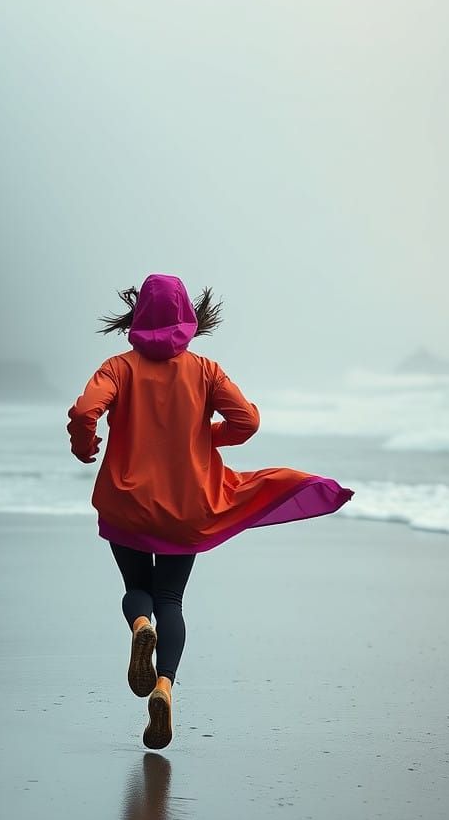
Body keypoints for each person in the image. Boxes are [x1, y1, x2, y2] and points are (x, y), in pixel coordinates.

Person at [67, 273, 353, 750]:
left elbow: (84, 413)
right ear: (188, 318)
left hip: (126, 503)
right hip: (186, 508)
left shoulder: (118, 368)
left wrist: (85, 444)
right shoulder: (206, 370)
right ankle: (164, 687)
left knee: (137, 589)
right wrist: (205, 437)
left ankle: (141, 628)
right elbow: (248, 420)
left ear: (138, 316)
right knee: (171, 600)